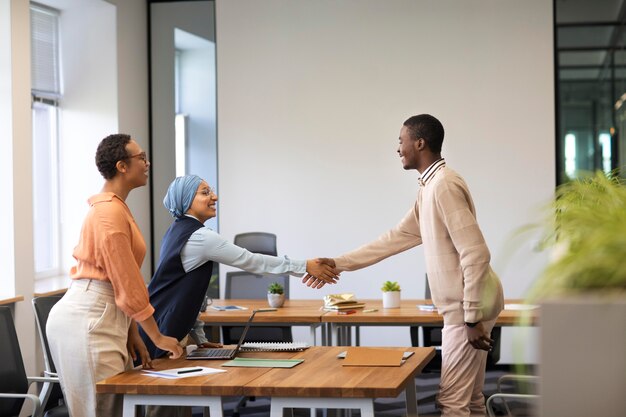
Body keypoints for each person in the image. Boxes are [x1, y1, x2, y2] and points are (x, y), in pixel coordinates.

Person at [304, 114, 504, 417]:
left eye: (401, 140)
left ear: (420, 143)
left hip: (466, 310)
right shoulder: (429, 186)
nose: (398, 148)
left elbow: (476, 254)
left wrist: (471, 317)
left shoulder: (443, 186)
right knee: (471, 401)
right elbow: (394, 238)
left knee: (452, 402)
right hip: (466, 309)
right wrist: (339, 263)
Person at [46, 134, 183, 417]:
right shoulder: (108, 212)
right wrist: (155, 336)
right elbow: (125, 279)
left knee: (116, 409)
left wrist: (132, 331)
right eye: (141, 157)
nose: (147, 163)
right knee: (101, 411)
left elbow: (119, 278)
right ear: (122, 166)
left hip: (105, 314)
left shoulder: (116, 207)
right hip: (89, 319)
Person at [139, 174, 339, 360]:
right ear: (186, 200)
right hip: (164, 335)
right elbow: (253, 261)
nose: (214, 197)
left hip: (161, 328)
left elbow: (190, 294)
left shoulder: (176, 231)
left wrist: (200, 338)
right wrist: (305, 266)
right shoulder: (201, 237)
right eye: (205, 192)